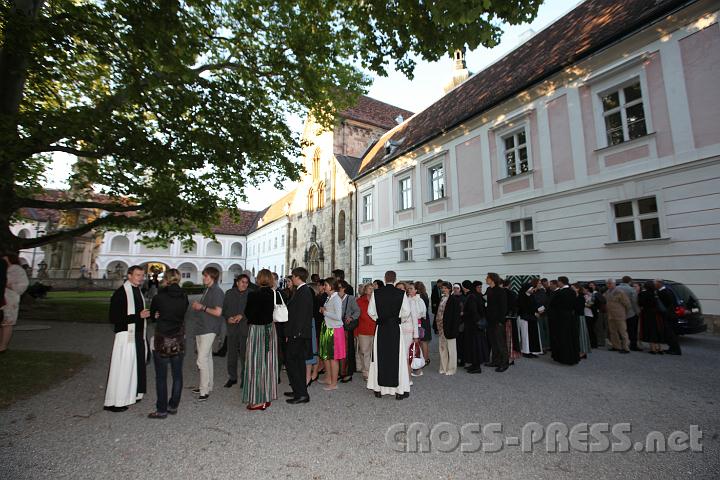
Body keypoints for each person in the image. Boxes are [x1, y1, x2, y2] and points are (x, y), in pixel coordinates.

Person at [104, 265, 151, 412]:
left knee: (135, 366)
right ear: (129, 276)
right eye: (137, 275)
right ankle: (116, 401)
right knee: (123, 368)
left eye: (142, 275)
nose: (141, 278)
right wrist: (138, 316)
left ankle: (131, 394)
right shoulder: (121, 293)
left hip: (137, 334)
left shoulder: (137, 291)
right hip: (125, 336)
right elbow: (114, 317)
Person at [147, 269, 188, 419]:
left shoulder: (159, 297)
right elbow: (182, 315)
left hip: (162, 339)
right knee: (177, 375)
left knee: (161, 377)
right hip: (177, 338)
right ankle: (173, 405)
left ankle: (162, 409)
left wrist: (157, 316)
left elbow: (153, 316)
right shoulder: (184, 297)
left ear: (167, 279)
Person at [367, 271, 411, 400]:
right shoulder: (401, 293)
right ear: (395, 279)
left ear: (385, 279)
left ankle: (378, 389)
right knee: (397, 357)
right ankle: (399, 391)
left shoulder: (377, 293)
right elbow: (406, 312)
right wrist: (398, 320)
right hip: (395, 328)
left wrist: (379, 319)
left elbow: (370, 311)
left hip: (381, 328)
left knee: (380, 357)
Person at [242, 269, 279, 410]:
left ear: (258, 279)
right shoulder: (274, 294)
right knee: (268, 363)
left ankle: (259, 399)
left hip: (256, 331)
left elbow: (248, 313)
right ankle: (267, 395)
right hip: (270, 330)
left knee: (255, 364)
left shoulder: (253, 295)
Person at [189, 267, 224, 401]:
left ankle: (204, 391)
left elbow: (218, 312)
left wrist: (201, 307)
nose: (204, 278)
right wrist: (200, 306)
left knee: (201, 359)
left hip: (209, 329)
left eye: (206, 276)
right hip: (202, 328)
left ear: (213, 278)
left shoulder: (217, 291)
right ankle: (207, 386)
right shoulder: (208, 289)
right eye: (204, 276)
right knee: (207, 358)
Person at [284, 267, 314, 404]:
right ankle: (299, 390)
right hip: (297, 333)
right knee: (298, 364)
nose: (292, 279)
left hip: (298, 334)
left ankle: (301, 393)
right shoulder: (301, 291)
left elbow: (301, 316)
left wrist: (295, 334)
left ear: (297, 277)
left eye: (293, 277)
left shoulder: (304, 292)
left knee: (293, 363)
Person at [221, 274, 250, 388]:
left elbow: (252, 311)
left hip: (245, 329)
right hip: (232, 329)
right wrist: (228, 317)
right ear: (237, 282)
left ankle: (245, 379)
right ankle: (232, 377)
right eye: (242, 282)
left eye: (246, 282)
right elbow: (224, 310)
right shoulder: (229, 293)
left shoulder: (251, 294)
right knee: (232, 354)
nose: (244, 284)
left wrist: (242, 316)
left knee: (244, 356)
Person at [318, 277, 345, 391]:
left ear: (332, 286)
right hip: (328, 328)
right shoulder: (330, 298)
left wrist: (325, 312)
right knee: (327, 356)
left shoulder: (336, 299)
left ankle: (334, 383)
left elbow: (338, 317)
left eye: (326, 285)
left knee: (333, 357)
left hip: (334, 330)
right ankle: (329, 378)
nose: (324, 287)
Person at [548, 276, 580, 365]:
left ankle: (563, 357)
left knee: (562, 338)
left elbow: (552, 304)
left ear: (561, 282)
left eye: (558, 282)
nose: (557, 283)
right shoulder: (572, 292)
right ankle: (572, 357)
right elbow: (575, 305)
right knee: (571, 337)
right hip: (570, 317)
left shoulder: (559, 293)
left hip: (560, 318)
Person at [0, 254, 29, 353]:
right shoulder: (2, 268)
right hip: (2, 298)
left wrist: (9, 285)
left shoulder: (17, 270)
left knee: (7, 323)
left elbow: (23, 285)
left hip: (10, 299)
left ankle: (3, 346)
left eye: (5, 259)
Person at [485, 273, 509, 372]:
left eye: (487, 278)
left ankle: (504, 363)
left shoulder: (501, 291)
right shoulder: (489, 290)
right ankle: (495, 361)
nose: (485, 279)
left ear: (492, 279)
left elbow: (503, 308)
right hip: (489, 321)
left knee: (500, 343)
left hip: (498, 321)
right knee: (493, 342)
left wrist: (500, 321)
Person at [462, 280, 487, 373]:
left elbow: (474, 312)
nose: (480, 289)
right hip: (474, 326)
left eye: (481, 287)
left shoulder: (473, 296)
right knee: (473, 346)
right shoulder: (474, 295)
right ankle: (474, 364)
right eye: (478, 287)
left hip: (474, 326)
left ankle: (477, 367)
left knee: (476, 346)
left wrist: (464, 313)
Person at [338, 280, 360, 383]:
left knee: (347, 350)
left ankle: (347, 373)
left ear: (343, 288)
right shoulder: (334, 298)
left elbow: (357, 311)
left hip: (346, 328)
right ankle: (340, 371)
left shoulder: (350, 298)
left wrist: (351, 317)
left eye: (338, 288)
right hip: (336, 327)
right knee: (338, 350)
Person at [355, 284, 376, 380]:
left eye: (373, 288)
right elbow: (356, 317)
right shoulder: (359, 301)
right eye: (369, 288)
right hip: (363, 330)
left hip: (375, 329)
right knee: (364, 352)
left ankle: (373, 371)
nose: (371, 290)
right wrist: (355, 333)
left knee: (374, 352)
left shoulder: (377, 301)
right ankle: (366, 372)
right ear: (365, 290)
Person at [655, 279, 682, 355]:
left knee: (670, 333)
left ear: (660, 283)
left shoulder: (664, 292)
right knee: (669, 333)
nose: (654, 284)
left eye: (655, 283)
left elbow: (668, 304)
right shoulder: (666, 290)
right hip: (670, 314)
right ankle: (672, 348)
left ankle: (676, 350)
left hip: (669, 315)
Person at [604, 279, 631, 354]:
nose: (608, 285)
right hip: (610, 315)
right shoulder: (607, 292)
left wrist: (624, 312)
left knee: (623, 331)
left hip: (619, 315)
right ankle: (616, 346)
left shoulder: (620, 292)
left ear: (614, 284)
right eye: (607, 283)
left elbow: (627, 304)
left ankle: (626, 347)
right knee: (613, 332)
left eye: (610, 283)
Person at [518, 280, 543, 358]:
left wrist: (538, 311)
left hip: (532, 318)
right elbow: (523, 308)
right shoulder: (522, 297)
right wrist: (534, 313)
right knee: (526, 336)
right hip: (525, 318)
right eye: (531, 289)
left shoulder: (531, 296)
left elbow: (534, 305)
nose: (532, 290)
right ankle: (526, 351)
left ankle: (532, 351)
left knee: (532, 335)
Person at [638, 281, 665, 355]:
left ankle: (653, 348)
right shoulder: (656, 293)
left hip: (647, 314)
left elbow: (640, 303)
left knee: (650, 330)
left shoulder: (643, 294)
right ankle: (660, 348)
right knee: (658, 330)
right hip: (656, 314)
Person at [404, 283, 423, 377]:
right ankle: (411, 369)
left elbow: (421, 313)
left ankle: (417, 368)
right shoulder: (407, 299)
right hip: (407, 327)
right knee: (411, 349)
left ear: (416, 290)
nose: (409, 290)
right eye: (409, 289)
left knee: (413, 349)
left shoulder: (418, 300)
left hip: (415, 325)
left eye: (411, 289)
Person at [617, 276, 641, 351]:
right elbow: (634, 302)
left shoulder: (616, 289)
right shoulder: (631, 289)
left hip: (619, 312)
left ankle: (621, 344)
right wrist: (637, 312)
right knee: (632, 330)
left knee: (621, 329)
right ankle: (633, 345)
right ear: (630, 281)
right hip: (630, 313)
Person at [414, 281, 432, 366]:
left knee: (423, 340)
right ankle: (425, 358)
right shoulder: (425, 295)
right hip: (426, 319)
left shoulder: (418, 298)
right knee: (424, 340)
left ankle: (425, 359)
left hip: (421, 320)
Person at [572, 283, 592, 360]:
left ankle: (583, 352)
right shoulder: (575, 297)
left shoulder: (581, 297)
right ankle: (579, 351)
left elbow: (579, 308)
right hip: (575, 317)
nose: (571, 289)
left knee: (582, 334)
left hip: (580, 317)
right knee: (577, 334)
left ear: (577, 289)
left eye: (573, 288)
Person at [533, 279, 551, 351]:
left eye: (541, 283)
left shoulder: (543, 291)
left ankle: (548, 345)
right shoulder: (532, 291)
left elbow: (546, 301)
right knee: (540, 330)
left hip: (544, 312)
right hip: (537, 313)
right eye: (539, 283)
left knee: (547, 329)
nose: (541, 284)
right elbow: (532, 302)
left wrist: (544, 309)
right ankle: (542, 346)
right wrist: (536, 311)